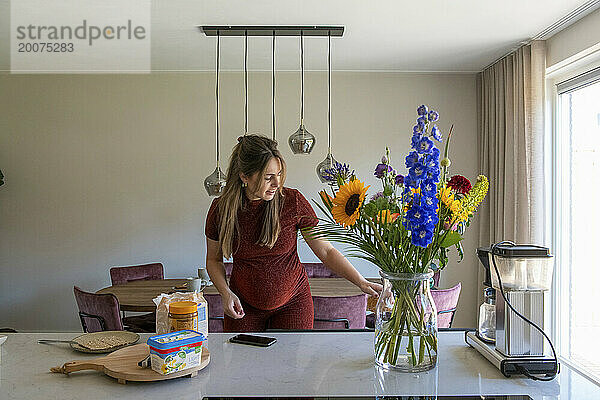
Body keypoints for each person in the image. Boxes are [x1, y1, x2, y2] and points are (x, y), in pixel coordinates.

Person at [205, 135, 382, 332]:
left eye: (279, 174)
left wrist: (361, 281)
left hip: (293, 304)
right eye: (268, 177)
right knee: (242, 361)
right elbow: (214, 260)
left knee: (290, 363)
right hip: (242, 304)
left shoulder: (293, 201)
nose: (276, 183)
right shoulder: (221, 210)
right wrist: (225, 292)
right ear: (244, 176)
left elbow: (325, 251)